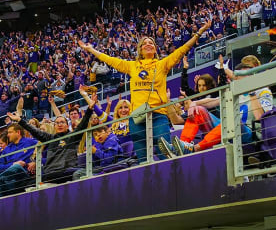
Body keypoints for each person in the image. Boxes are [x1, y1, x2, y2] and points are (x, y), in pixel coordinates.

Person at [76, 20, 211, 157]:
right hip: (137, 117)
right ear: (140, 49)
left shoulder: (162, 64)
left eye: (151, 43)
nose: (148, 44)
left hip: (158, 114)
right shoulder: (131, 66)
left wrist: (200, 31)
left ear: (155, 49)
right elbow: (109, 59)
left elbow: (183, 49)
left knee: (165, 152)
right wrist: (91, 49)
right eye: (144, 43)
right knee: (142, 158)